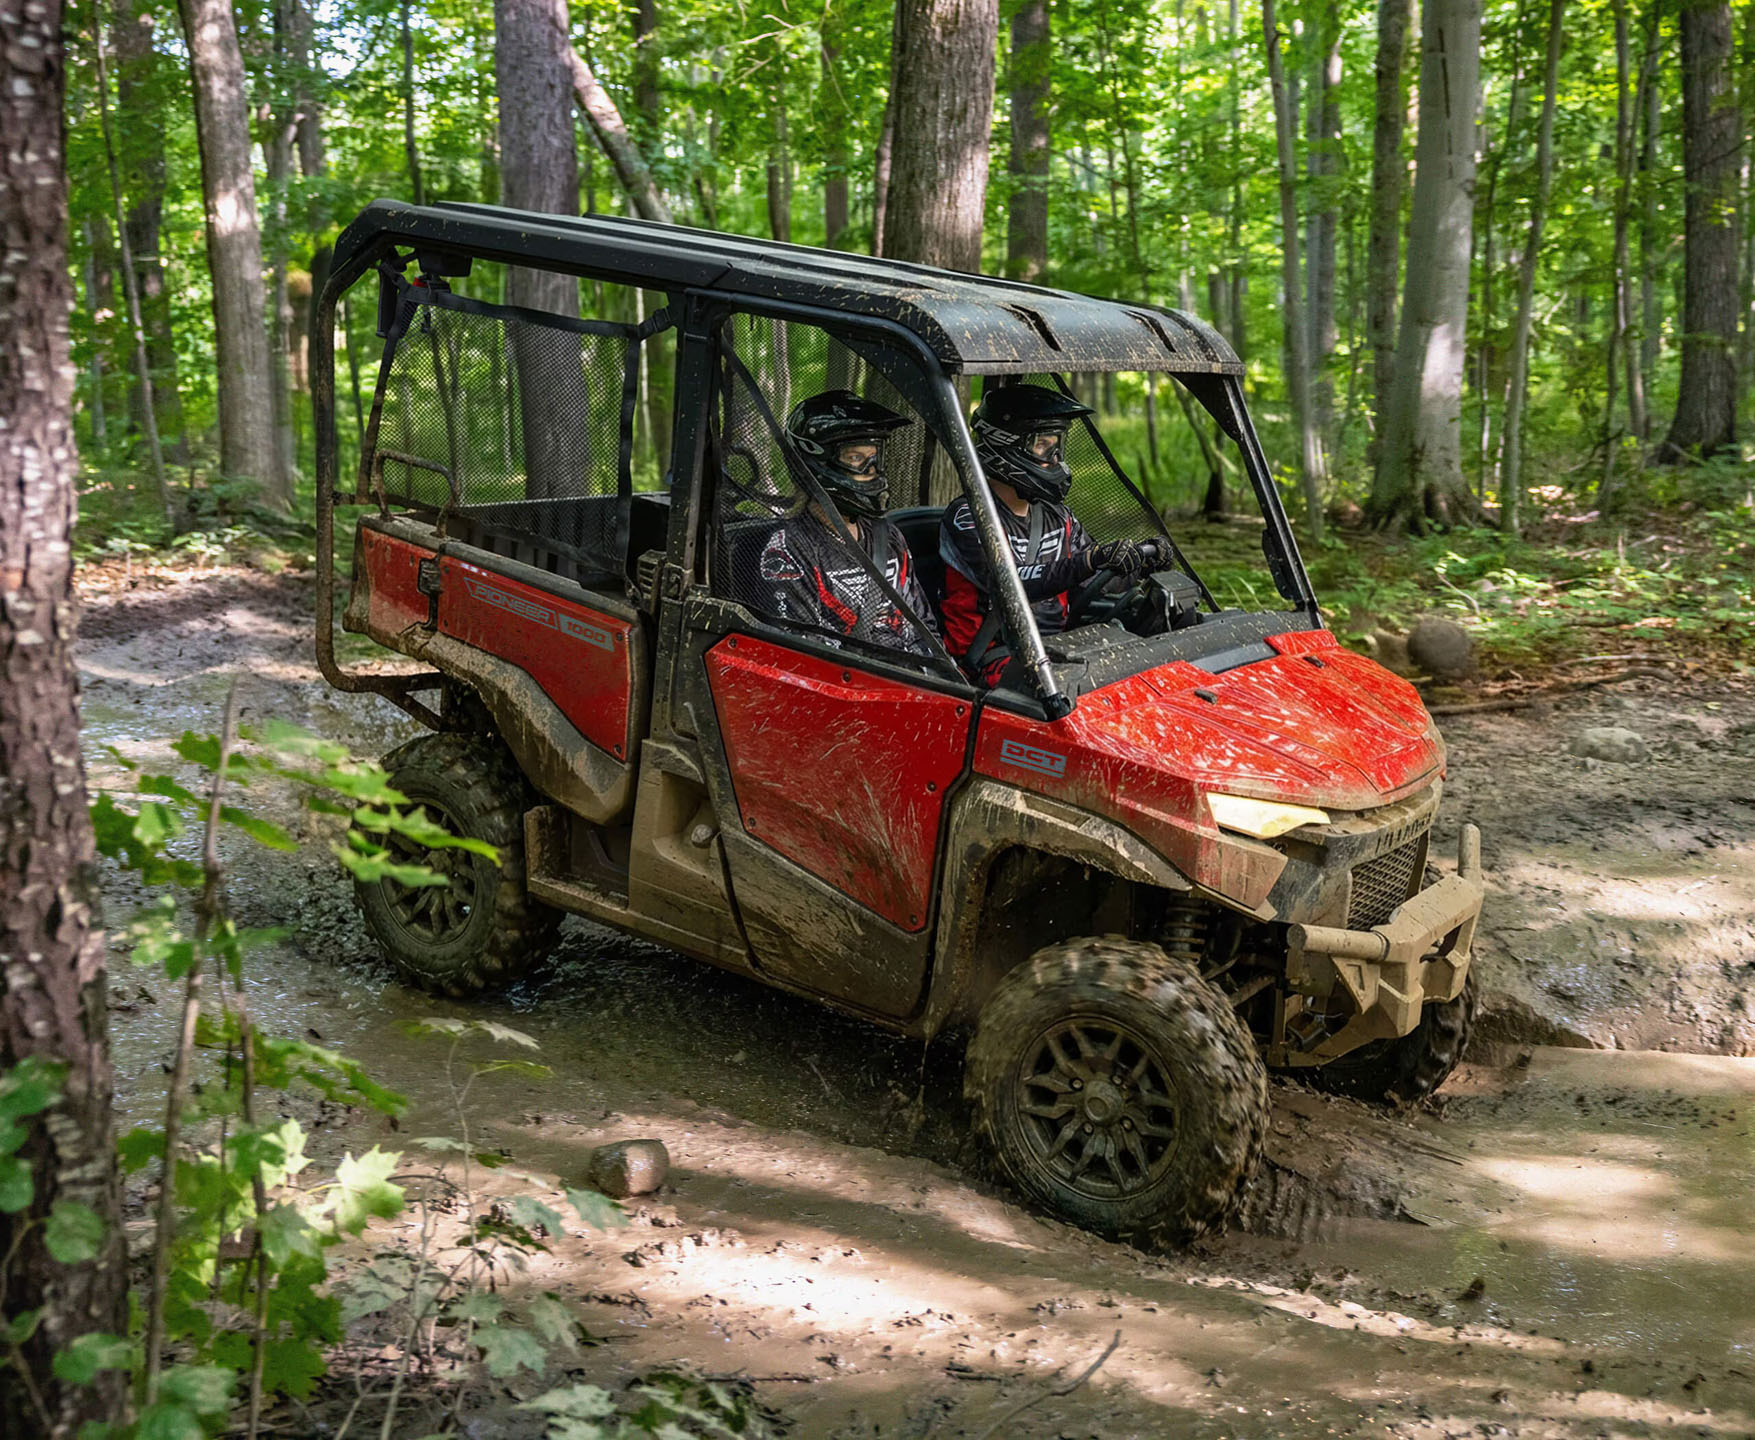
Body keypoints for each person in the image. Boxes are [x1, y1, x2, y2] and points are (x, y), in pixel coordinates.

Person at [939, 383, 1163, 685]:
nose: (1056, 458)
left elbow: (1097, 578)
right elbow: (1011, 582)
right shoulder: (969, 517)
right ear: (1005, 445)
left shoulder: (1059, 516)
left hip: (1055, 652)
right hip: (990, 662)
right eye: (1043, 445)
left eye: (1058, 445)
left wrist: (1142, 563)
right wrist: (1089, 560)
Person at [738, 389, 940, 656]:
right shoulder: (788, 552)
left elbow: (925, 630)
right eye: (856, 458)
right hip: (856, 688)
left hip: (919, 685)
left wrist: (933, 679)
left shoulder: (888, 537)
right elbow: (807, 660)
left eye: (874, 457)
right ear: (818, 461)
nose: (871, 469)